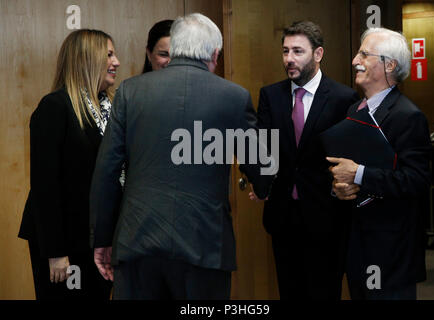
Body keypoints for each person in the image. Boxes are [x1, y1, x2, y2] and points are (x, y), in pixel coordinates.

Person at [90, 13, 275, 300]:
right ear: (214, 54)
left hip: (137, 243)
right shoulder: (234, 97)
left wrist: (102, 238)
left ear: (175, 48)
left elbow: (106, 171)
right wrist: (262, 188)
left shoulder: (130, 91)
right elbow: (261, 164)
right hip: (204, 248)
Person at [250, 21, 359, 300]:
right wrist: (261, 180)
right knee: (290, 291)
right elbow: (261, 148)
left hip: (327, 219)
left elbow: (350, 157)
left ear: (318, 54)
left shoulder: (342, 98)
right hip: (283, 217)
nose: (289, 59)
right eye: (285, 51)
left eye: (298, 51)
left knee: (324, 292)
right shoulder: (271, 96)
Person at [328, 27, 431, 300]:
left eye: (364, 54)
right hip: (358, 244)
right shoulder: (355, 110)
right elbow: (347, 172)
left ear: (389, 65)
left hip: (390, 252)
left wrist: (359, 174)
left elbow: (416, 180)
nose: (354, 61)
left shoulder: (408, 116)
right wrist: (339, 188)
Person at [18, 29, 120, 300]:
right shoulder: (55, 107)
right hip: (64, 244)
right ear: (86, 59)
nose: (117, 62)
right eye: (108, 55)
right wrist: (56, 253)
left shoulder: (111, 108)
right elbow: (45, 186)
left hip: (97, 241)